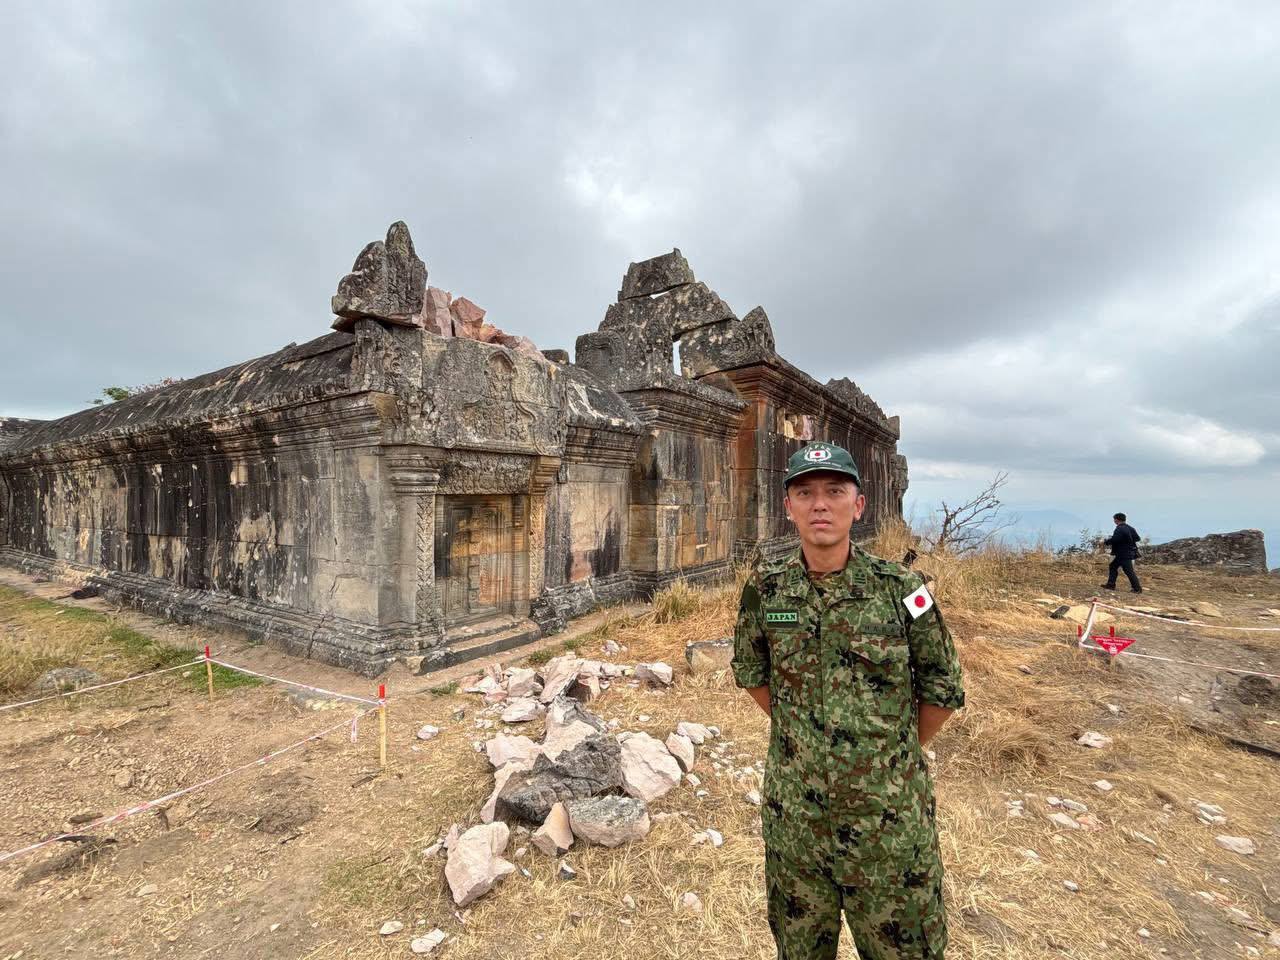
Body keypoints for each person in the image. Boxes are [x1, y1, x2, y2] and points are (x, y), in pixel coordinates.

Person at [731, 440, 965, 960]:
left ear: (858, 505)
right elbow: (751, 671)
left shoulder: (903, 590)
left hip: (888, 826)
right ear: (787, 506)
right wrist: (803, 731)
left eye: (835, 491)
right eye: (805, 493)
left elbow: (943, 687)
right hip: (798, 826)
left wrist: (888, 752)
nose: (820, 504)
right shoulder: (766, 591)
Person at [1102, 512, 1142, 593]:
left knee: (1129, 571)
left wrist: (1106, 542)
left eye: (1114, 519)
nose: (1114, 521)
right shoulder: (1130, 528)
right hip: (1126, 553)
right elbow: (1138, 538)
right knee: (1113, 567)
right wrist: (1127, 541)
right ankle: (1110, 585)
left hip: (1123, 554)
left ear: (1117, 520)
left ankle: (1137, 589)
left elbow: (1115, 540)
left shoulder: (1119, 529)